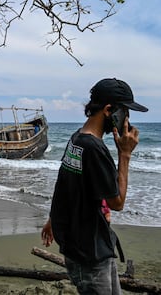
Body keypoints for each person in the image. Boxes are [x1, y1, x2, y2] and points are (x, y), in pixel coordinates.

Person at [41, 78, 148, 294]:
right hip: (88, 254)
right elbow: (117, 203)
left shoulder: (77, 139)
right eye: (124, 111)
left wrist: (52, 220)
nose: (127, 119)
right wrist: (125, 154)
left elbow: (65, 185)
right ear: (109, 110)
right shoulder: (94, 150)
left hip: (92, 247)